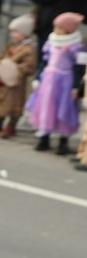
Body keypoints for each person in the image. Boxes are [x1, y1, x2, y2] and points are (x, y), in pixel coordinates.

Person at [26, 12, 84, 154]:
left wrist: (76, 86)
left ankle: (63, 142)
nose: (56, 31)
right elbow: (43, 62)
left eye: (60, 28)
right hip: (48, 79)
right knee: (46, 107)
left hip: (65, 81)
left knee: (64, 109)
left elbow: (79, 68)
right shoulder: (51, 42)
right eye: (55, 27)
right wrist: (38, 78)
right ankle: (44, 137)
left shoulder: (76, 47)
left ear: (69, 30)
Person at [0, 14, 37, 139]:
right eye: (12, 32)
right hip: (3, 81)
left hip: (16, 83)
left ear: (24, 33)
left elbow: (29, 66)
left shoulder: (28, 50)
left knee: (14, 104)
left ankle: (12, 125)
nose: (13, 34)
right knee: (2, 101)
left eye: (16, 32)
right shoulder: (11, 46)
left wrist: (14, 70)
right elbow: (1, 55)